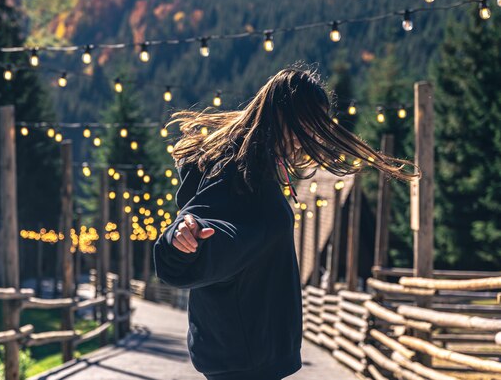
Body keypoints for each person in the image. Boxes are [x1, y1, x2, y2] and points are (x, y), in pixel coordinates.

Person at [153, 66, 419, 380]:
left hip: (246, 347)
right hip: (246, 353)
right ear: (286, 114)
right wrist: (184, 239)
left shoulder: (258, 164)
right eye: (312, 121)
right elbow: (214, 222)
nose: (315, 133)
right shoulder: (239, 167)